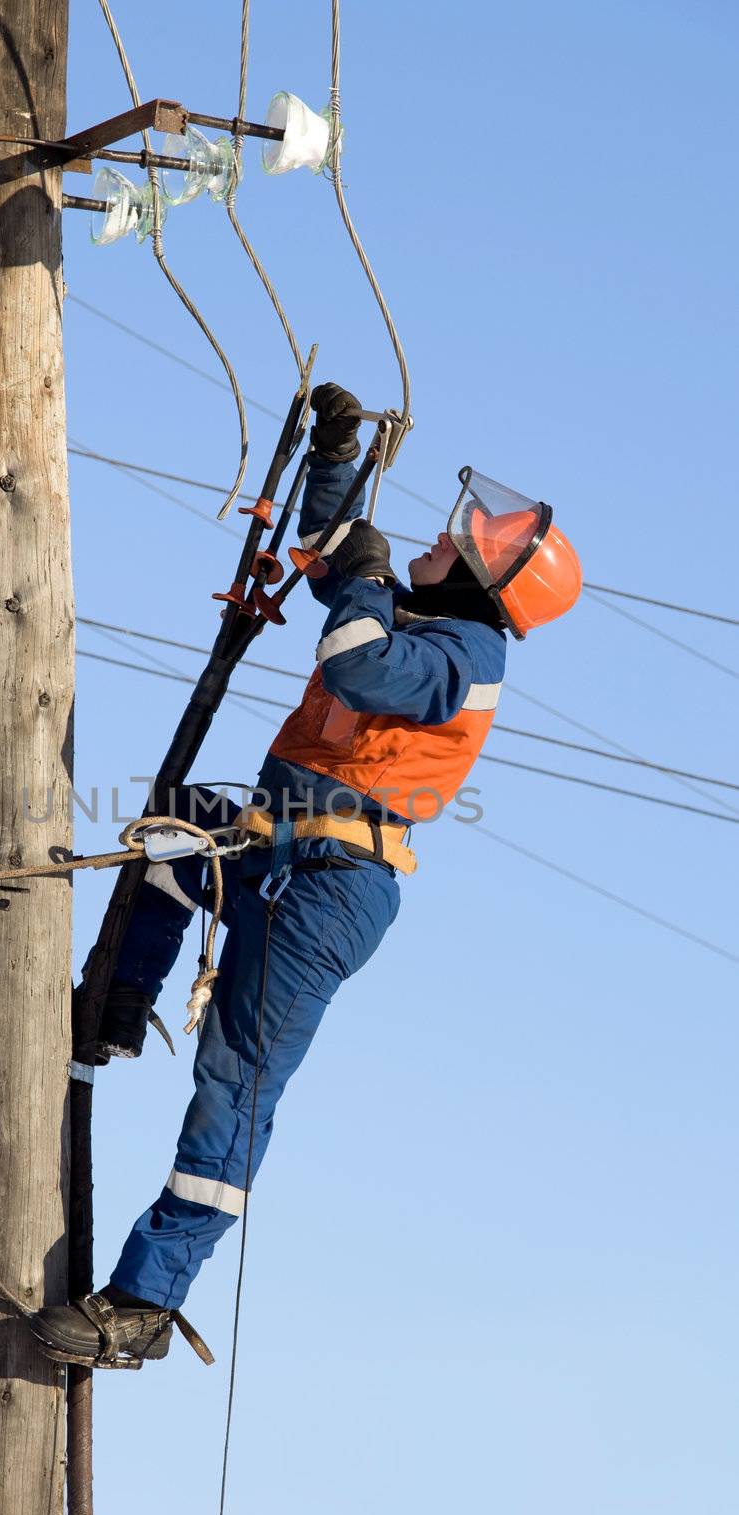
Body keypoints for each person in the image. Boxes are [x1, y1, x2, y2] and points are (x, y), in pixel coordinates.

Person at [31, 383, 583, 1365]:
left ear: (480, 584)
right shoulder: (416, 613)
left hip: (329, 888)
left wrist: (365, 585)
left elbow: (357, 665)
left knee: (233, 1082)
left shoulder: (461, 653)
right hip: (275, 845)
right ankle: (115, 1004)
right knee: (177, 832)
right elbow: (334, 557)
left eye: (457, 540)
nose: (435, 536)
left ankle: (145, 1303)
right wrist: (334, 456)